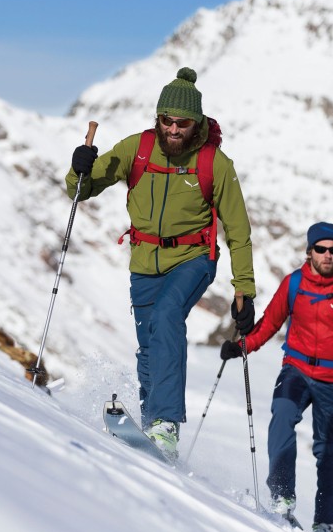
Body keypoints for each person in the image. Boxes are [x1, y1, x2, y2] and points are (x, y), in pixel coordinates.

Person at [66, 67, 256, 460]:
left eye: (182, 122)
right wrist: (79, 165)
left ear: (197, 124)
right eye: (166, 120)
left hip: (193, 259)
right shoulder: (135, 149)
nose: (173, 129)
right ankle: (152, 423)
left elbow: (238, 231)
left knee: (168, 316)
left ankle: (166, 423)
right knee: (150, 344)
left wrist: (245, 290)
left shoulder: (214, 163)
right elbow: (81, 190)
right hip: (143, 259)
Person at [220, 221, 333, 532]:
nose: (328, 256)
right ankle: (282, 496)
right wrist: (242, 347)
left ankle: (325, 524)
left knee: (327, 451)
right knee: (282, 417)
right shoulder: (294, 284)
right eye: (321, 249)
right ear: (309, 252)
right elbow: (270, 322)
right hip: (297, 370)